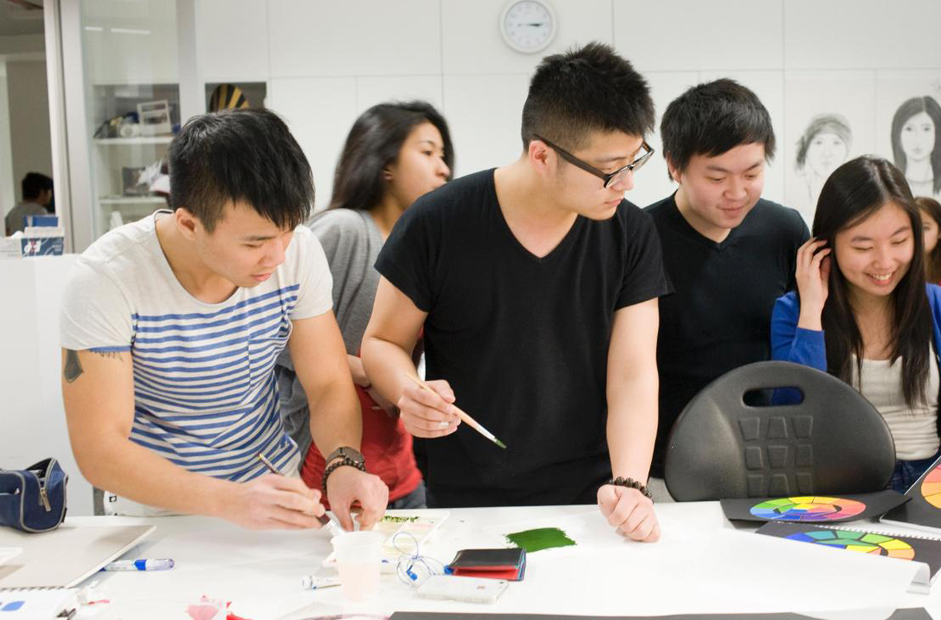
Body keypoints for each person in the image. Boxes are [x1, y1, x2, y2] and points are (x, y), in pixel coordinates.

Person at [362, 43, 669, 541]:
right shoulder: (437, 224)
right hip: (466, 498)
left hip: (590, 497)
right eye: (611, 168)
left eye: (635, 160)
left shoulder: (630, 234)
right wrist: (408, 390)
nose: (628, 183)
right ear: (543, 155)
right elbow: (382, 343)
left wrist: (630, 481)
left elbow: (633, 373)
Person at [60, 109, 388, 532]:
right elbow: (100, 447)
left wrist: (343, 462)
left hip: (272, 487)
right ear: (189, 224)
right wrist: (228, 499)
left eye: (288, 231)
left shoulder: (298, 252)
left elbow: (327, 382)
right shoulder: (106, 279)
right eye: (255, 242)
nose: (278, 256)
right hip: (156, 507)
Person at [771, 156, 941, 491]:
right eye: (863, 246)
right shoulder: (795, 312)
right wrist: (813, 310)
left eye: (900, 241)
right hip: (840, 488)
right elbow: (791, 417)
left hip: (932, 483)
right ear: (826, 245)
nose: (885, 262)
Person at [278, 102, 453, 511]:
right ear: (385, 164)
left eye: (443, 156)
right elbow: (273, 334)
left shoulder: (421, 249)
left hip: (397, 466)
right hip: (326, 464)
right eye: (427, 153)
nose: (443, 168)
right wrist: (367, 369)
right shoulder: (344, 230)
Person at [646, 79, 808, 479]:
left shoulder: (784, 231)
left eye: (752, 173)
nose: (736, 192)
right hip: (668, 460)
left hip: (769, 452)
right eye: (717, 179)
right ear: (674, 166)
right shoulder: (640, 237)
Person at [891, 97, 941, 196]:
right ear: (898, 133)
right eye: (909, 129)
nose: (917, 139)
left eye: (926, 129)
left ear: (937, 133)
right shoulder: (888, 182)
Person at [795, 113, 852, 208]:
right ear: (806, 149)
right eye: (818, 142)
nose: (827, 153)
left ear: (847, 150)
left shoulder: (853, 194)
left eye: (836, 143)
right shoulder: (796, 192)